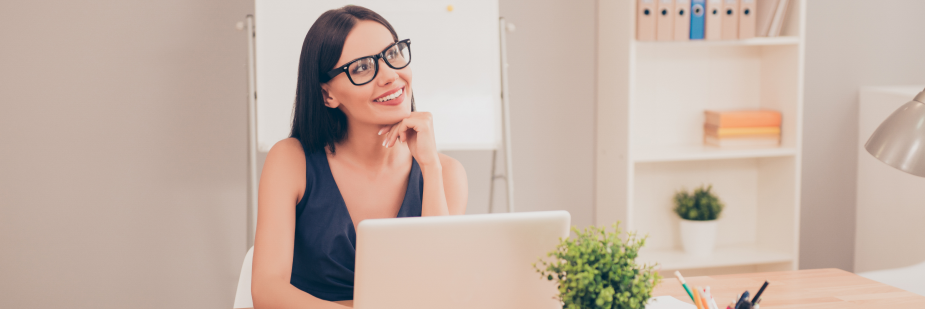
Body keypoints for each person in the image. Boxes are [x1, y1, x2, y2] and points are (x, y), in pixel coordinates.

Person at [250, 5, 468, 309]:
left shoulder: (446, 172)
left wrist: (429, 167)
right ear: (328, 95)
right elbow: (267, 291)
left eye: (392, 54)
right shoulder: (290, 161)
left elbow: (438, 290)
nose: (390, 76)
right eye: (362, 68)